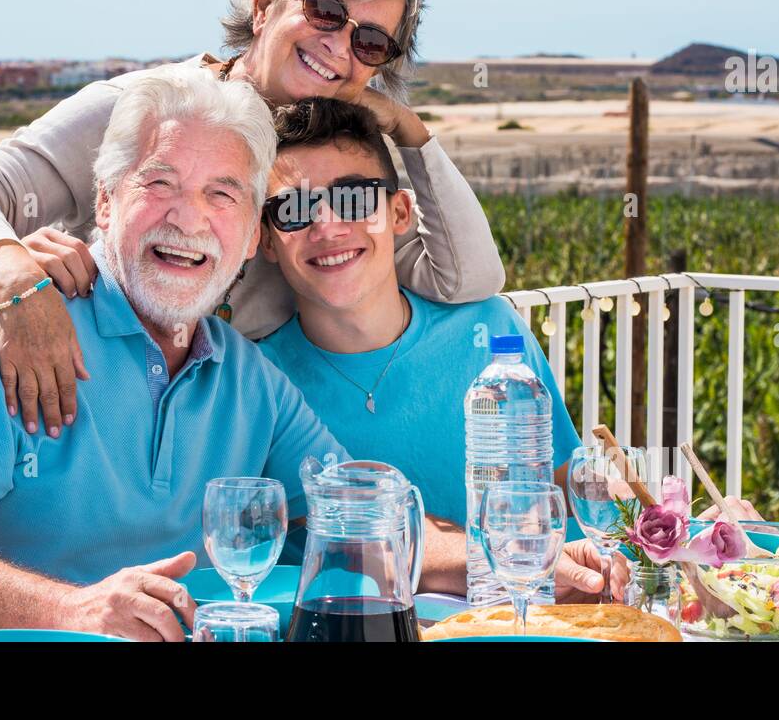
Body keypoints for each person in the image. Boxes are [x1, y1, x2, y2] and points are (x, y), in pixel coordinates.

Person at [0, 69, 388, 641]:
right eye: (159, 184)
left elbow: (357, 514)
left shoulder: (249, 379)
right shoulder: (13, 321)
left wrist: (480, 554)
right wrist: (73, 611)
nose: (187, 217)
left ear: (253, 235)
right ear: (104, 203)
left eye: (221, 194)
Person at [0, 0, 506, 440]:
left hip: (215, 452)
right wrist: (16, 277)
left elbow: (467, 277)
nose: (339, 45)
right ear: (261, 9)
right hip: (77, 422)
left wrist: (409, 131)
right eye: (325, 9)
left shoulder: (331, 177)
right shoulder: (154, 111)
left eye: (371, 41)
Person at [254, 97, 627, 602]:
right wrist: (518, 561)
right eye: (294, 209)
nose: (327, 227)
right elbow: (361, 542)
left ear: (401, 211)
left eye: (355, 199)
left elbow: (570, 484)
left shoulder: (491, 334)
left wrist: (678, 530)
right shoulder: (256, 384)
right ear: (268, 240)